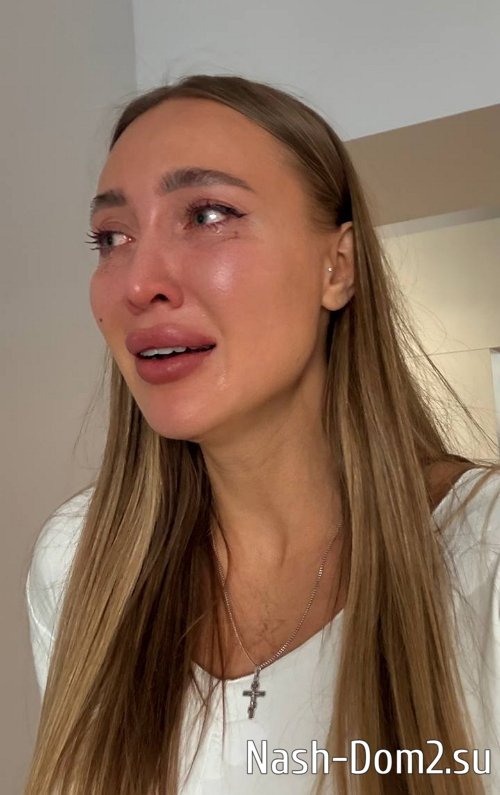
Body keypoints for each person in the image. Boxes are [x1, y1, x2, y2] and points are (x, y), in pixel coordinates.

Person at [24, 74, 500, 795]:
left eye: (208, 214)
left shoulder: (483, 555)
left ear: (338, 267)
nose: (137, 283)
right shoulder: (76, 561)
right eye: (112, 237)